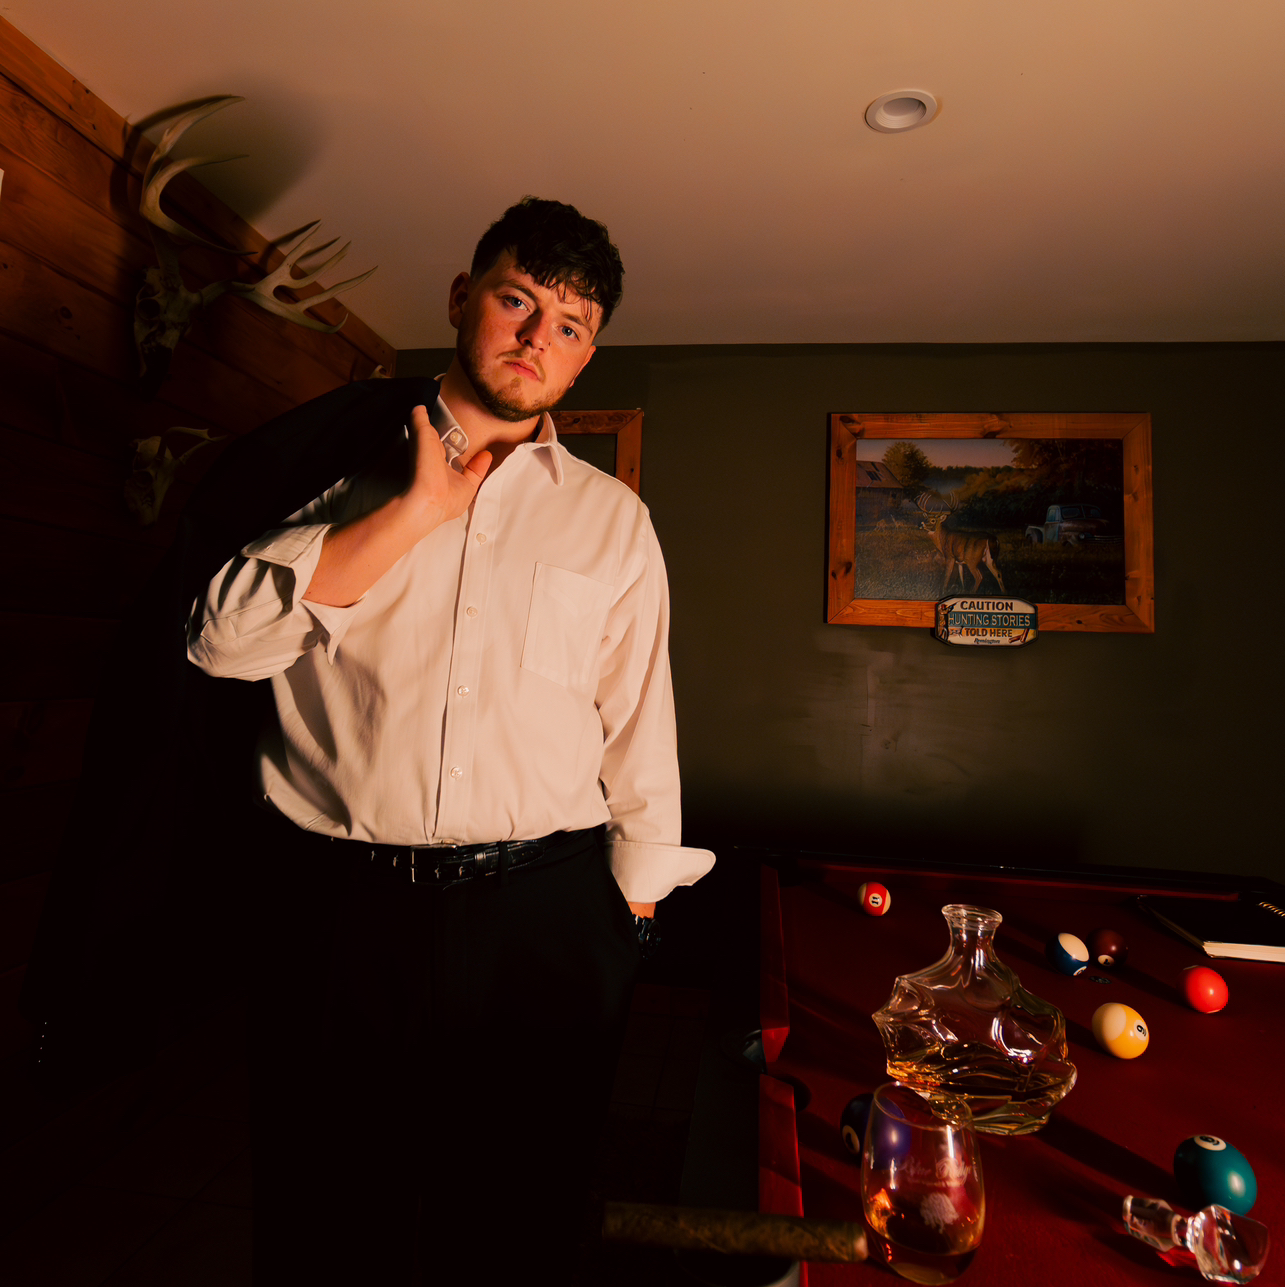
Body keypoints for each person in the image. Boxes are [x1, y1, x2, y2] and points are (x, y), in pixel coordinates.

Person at [185, 197, 714, 1284]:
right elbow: (220, 645)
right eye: (516, 301)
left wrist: (627, 914)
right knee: (329, 1211)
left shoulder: (613, 521)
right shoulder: (335, 465)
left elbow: (637, 716)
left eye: (568, 324)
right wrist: (413, 513)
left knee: (516, 1218)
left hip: (545, 918)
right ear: (462, 299)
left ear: (586, 355)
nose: (535, 337)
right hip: (338, 912)